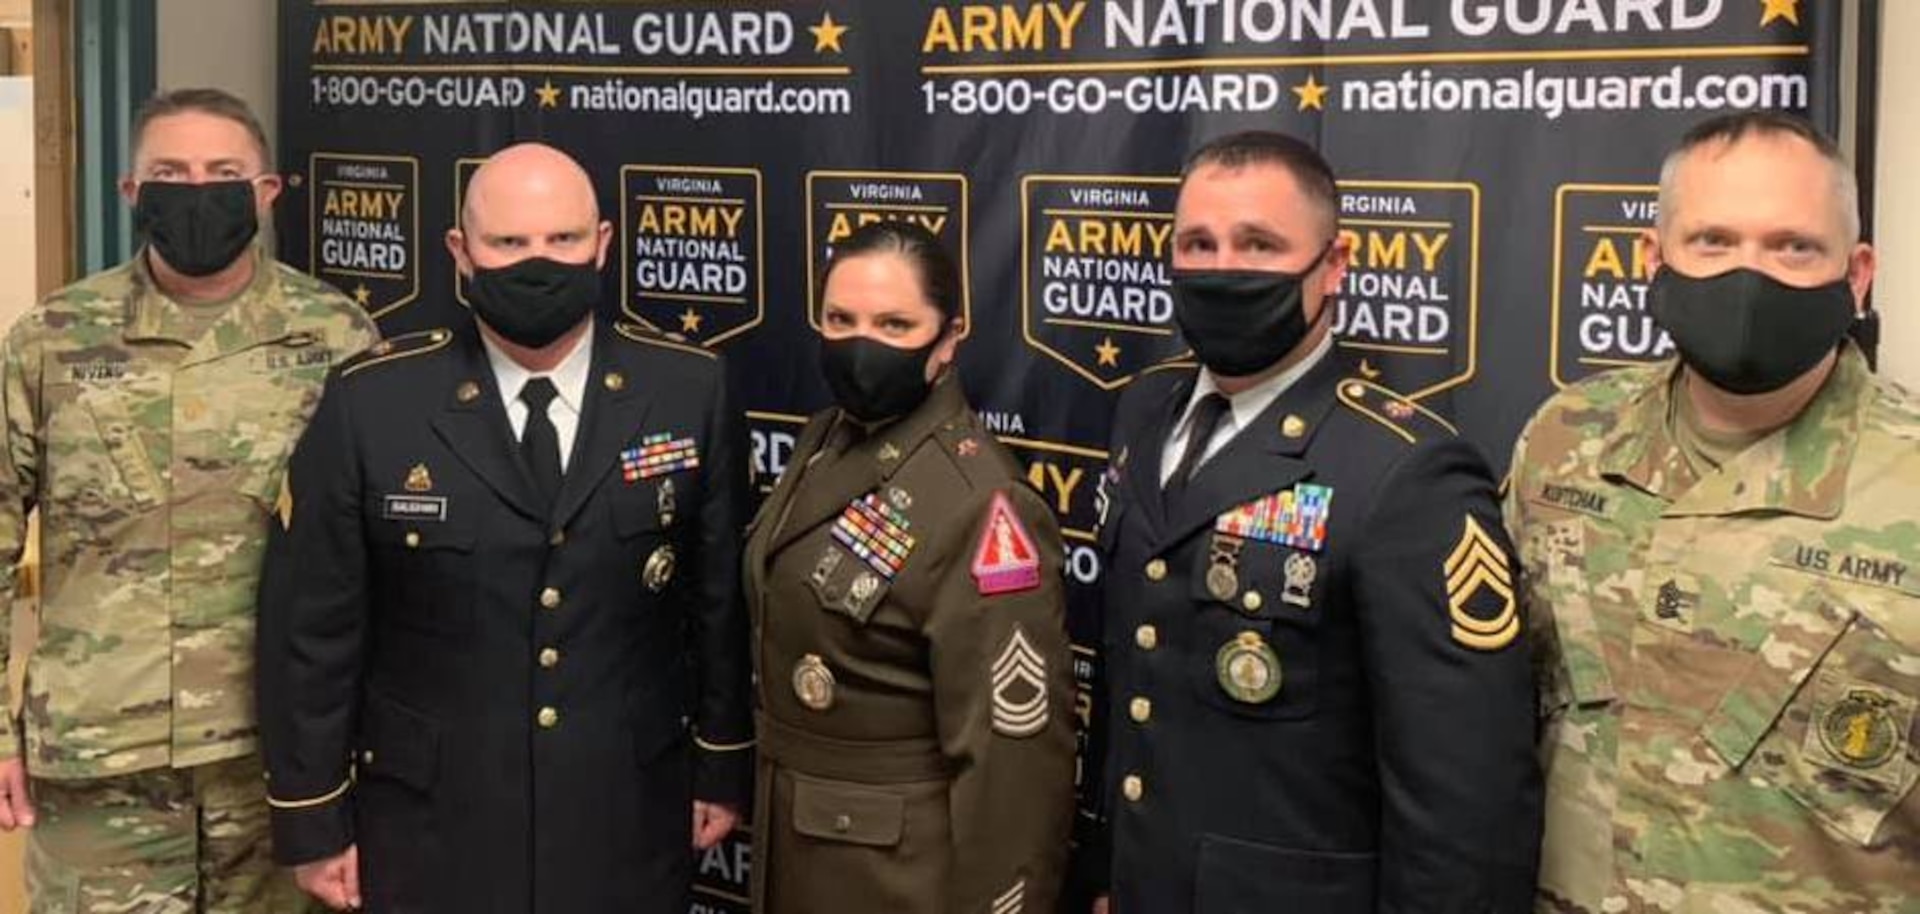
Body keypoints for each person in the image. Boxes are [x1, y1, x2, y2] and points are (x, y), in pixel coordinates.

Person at [255, 143, 753, 912]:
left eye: (564, 240)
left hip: (626, 807)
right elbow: (311, 628)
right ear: (461, 252)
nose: (539, 263)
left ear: (604, 244)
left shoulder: (688, 388)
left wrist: (722, 763)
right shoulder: (374, 402)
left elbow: (718, 604)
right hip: (427, 821)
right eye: (509, 243)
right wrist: (312, 817)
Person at [1079, 130, 1541, 912]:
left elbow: (1465, 806)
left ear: (1333, 265)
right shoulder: (1146, 409)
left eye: (1258, 244)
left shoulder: (1407, 473)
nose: (1223, 268)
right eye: (1199, 243)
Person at [1506, 112, 1917, 911]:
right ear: (1653, 260)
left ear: (1858, 274)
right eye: (1713, 242)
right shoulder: (1563, 442)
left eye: (1794, 246)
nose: (1749, 275)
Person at [0, 87, 376, 912]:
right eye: (169, 172)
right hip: (102, 764)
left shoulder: (337, 339)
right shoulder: (53, 339)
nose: (197, 189)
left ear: (267, 191)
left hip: (279, 768)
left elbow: (379, 561)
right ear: (132, 192)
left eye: (223, 171)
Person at [745, 221, 1075, 913]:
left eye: (895, 324)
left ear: (947, 340)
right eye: (841, 319)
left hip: (900, 875)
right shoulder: (823, 438)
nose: (861, 344)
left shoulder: (983, 504)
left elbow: (1012, 767)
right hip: (800, 845)